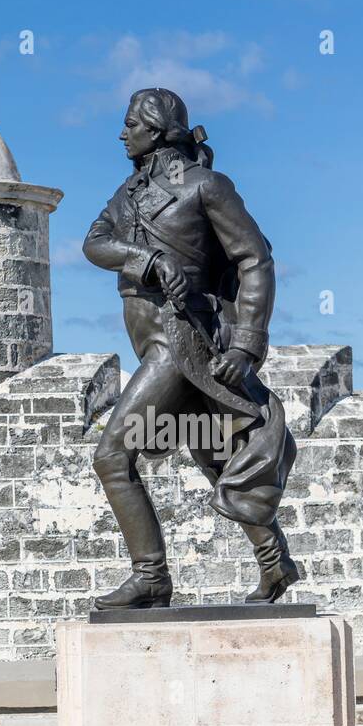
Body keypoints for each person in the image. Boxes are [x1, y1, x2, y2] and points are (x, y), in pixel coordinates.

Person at [83, 87, 298, 610]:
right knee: (214, 453)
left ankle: (151, 576)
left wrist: (247, 344)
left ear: (155, 131)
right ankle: (275, 562)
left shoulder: (206, 187)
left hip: (180, 341)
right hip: (149, 339)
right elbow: (93, 243)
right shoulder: (128, 194)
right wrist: (148, 261)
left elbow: (255, 260)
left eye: (131, 123)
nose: (122, 133)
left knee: (113, 455)